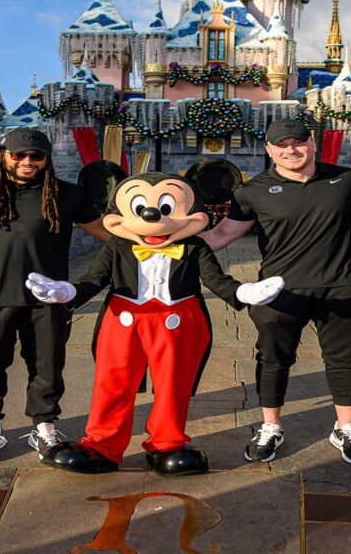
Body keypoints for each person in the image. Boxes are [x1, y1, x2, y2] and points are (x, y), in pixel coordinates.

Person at [26, 173, 283, 475]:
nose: (151, 217)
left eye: (165, 208)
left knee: (174, 382)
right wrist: (66, 292)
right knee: (113, 382)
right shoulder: (117, 246)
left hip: (178, 321)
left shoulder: (194, 247)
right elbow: (94, 280)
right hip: (123, 321)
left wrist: (244, 292)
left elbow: (216, 280)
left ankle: (167, 443)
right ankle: (102, 446)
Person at [202, 118, 351, 465]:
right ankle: (270, 426)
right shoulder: (253, 191)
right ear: (270, 150)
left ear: (312, 144)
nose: (291, 150)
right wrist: (163, 242)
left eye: (298, 142)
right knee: (273, 360)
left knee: (345, 360)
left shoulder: (346, 178)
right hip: (278, 291)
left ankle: (346, 427)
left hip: (341, 286)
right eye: (281, 145)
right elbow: (220, 237)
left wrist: (345, 233)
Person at [0, 128, 110, 467]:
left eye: (35, 156)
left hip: (47, 300)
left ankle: (44, 426)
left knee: (47, 368)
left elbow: (107, 232)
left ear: (46, 159)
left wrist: (159, 242)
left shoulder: (67, 195)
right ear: (3, 155)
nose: (27, 162)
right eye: (19, 155)